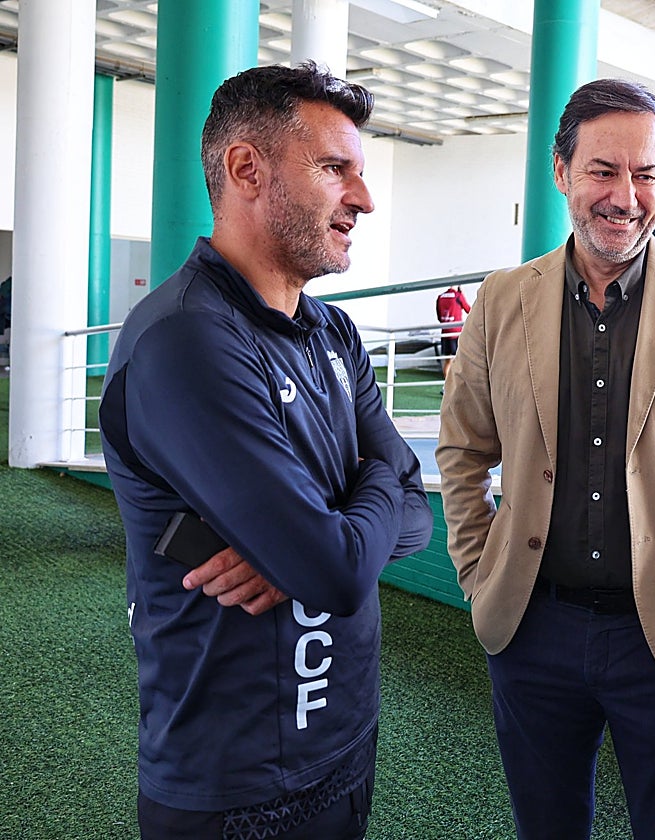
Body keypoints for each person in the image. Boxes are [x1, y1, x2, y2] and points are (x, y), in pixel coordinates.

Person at [436, 78, 655, 839]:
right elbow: (463, 450)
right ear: (561, 171)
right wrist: (476, 569)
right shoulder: (500, 301)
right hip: (533, 628)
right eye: (604, 170)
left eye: (646, 174)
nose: (626, 195)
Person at [98, 62, 433, 840]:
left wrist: (317, 536)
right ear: (247, 169)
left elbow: (415, 513)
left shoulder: (334, 333)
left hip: (344, 741)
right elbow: (338, 568)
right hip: (232, 781)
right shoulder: (188, 339)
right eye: (334, 169)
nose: (364, 197)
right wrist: (336, 527)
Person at [435, 284, 471, 376]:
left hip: (445, 332)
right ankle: (458, 386)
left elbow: (439, 317)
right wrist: (462, 294)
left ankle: (446, 387)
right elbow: (468, 310)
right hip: (456, 333)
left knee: (448, 361)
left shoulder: (440, 297)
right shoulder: (458, 296)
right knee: (460, 360)